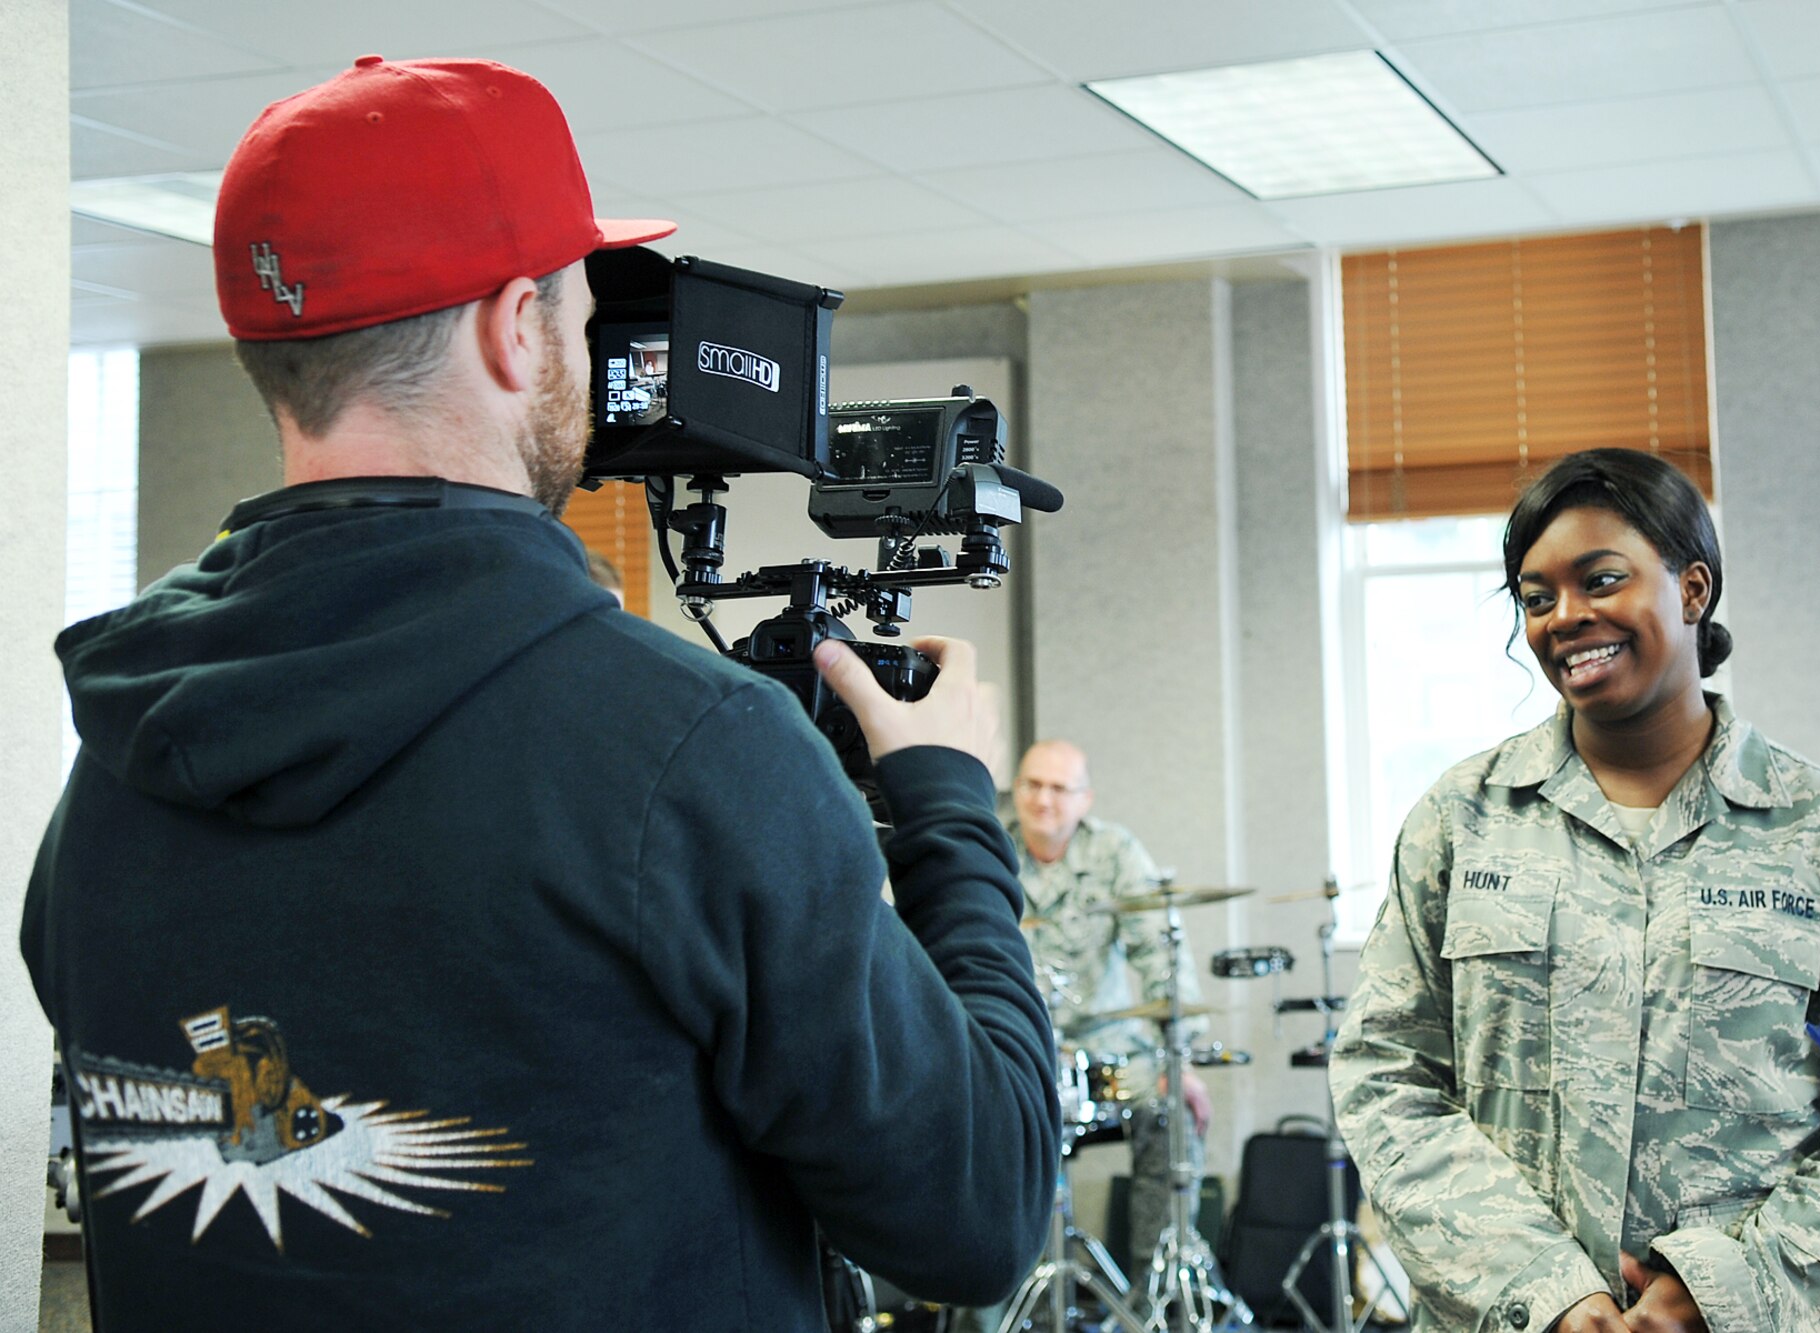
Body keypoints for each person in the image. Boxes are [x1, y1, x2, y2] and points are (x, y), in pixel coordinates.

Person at [21, 56, 1058, 1331]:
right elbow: (982, 1212)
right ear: (515, 331)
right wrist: (949, 808)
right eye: (575, 307)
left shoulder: (117, 764)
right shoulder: (690, 748)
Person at [1328, 448, 1820, 1333]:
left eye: (1601, 578)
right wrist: (1546, 1290)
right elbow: (1386, 1079)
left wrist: (1724, 1290)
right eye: (1536, 595)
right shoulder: (1460, 820)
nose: (1567, 616)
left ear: (1693, 588)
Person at [1007, 740, 1212, 1280]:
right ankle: (989, 1308)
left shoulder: (1116, 853)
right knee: (975, 1133)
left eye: (1059, 788)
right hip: (1016, 1056)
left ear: (1084, 799)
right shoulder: (989, 851)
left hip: (1109, 1058)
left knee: (1173, 1115)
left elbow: (1159, 953)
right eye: (1032, 784)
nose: (1043, 799)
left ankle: (1158, 1295)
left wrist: (1181, 1060)